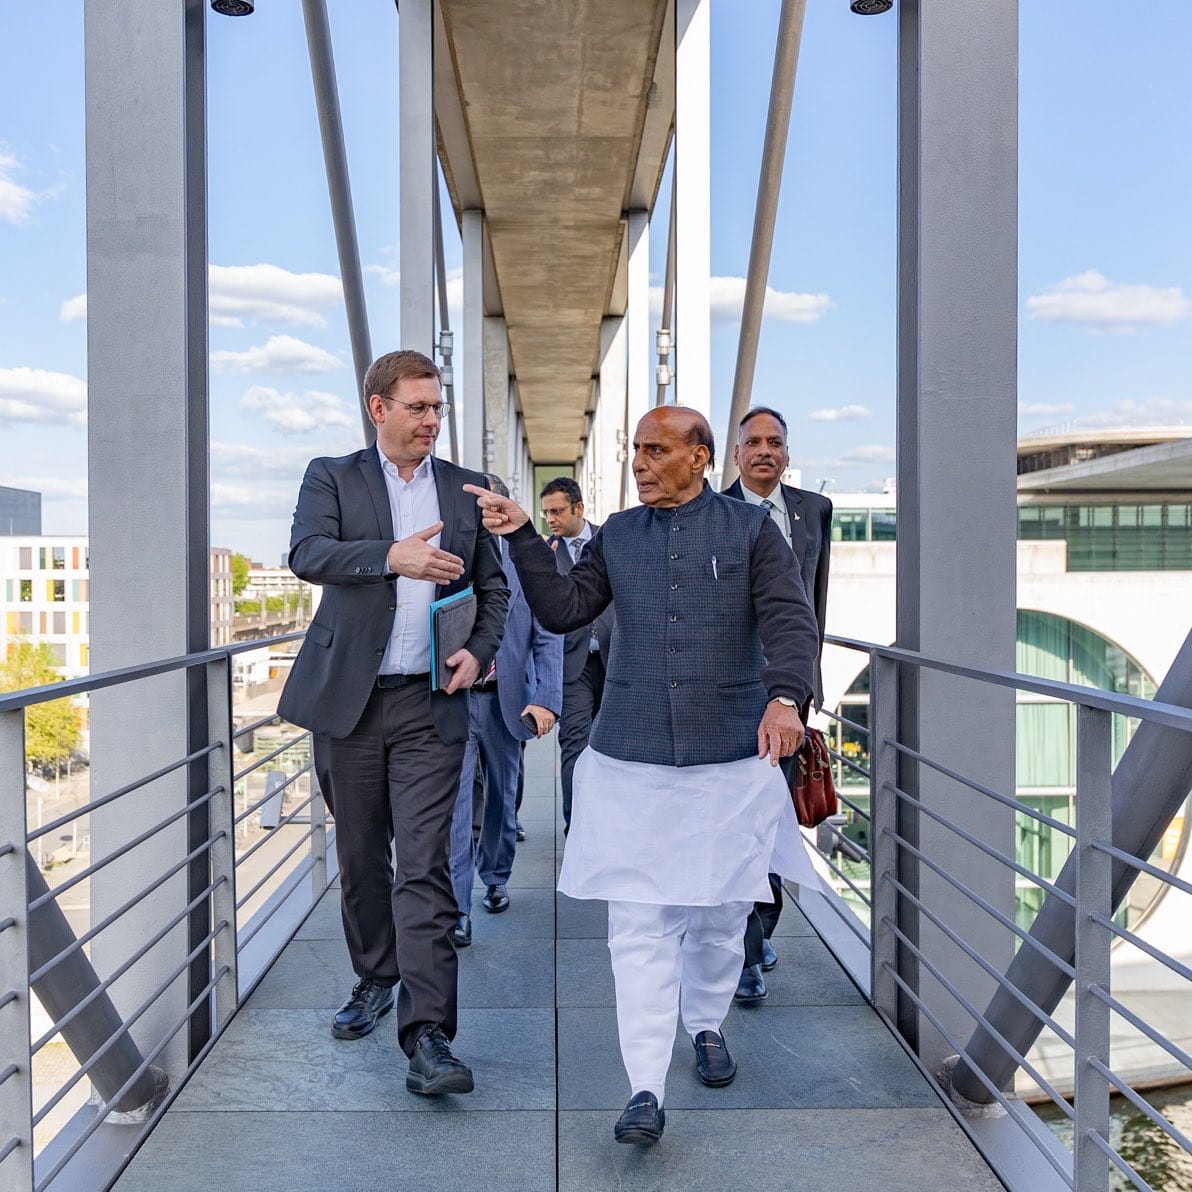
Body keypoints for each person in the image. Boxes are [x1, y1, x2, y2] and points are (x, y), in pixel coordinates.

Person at [463, 406, 821, 1145]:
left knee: (721, 915)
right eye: (636, 449)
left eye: (657, 450)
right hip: (630, 758)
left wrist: (786, 697)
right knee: (637, 927)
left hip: (730, 757)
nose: (640, 462)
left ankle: (706, 1024)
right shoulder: (620, 534)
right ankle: (645, 1089)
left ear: (700, 457)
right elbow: (564, 609)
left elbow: (791, 620)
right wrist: (523, 535)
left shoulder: (752, 532)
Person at [278, 349, 509, 1097]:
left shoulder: (466, 490)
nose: (431, 420)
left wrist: (479, 652)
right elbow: (307, 553)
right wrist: (393, 557)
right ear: (379, 408)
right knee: (360, 857)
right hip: (348, 702)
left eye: (437, 407)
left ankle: (429, 1035)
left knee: (425, 864)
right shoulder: (331, 476)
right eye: (417, 407)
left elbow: (495, 590)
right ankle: (376, 976)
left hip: (429, 703)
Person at [725, 406, 833, 1004]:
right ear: (736, 454)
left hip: (791, 694)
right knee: (739, 820)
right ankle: (744, 953)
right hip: (732, 691)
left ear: (787, 453)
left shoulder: (813, 510)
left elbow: (815, 601)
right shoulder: (715, 512)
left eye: (775, 442)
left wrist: (808, 680)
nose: (764, 450)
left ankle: (761, 928)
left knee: (773, 818)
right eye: (754, 442)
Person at [448, 475, 563, 947]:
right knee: (454, 804)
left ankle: (495, 876)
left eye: (494, 505)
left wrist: (547, 698)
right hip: (453, 698)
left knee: (501, 795)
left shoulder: (527, 562)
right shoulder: (449, 558)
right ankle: (456, 907)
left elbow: (549, 634)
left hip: (506, 697)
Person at [539, 477, 614, 832]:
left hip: (616, 660)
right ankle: (578, 827)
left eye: (557, 511)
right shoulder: (545, 552)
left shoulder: (611, 539)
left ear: (579, 508)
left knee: (613, 747)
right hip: (572, 663)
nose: (550, 519)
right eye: (546, 513)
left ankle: (609, 826)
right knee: (575, 744)